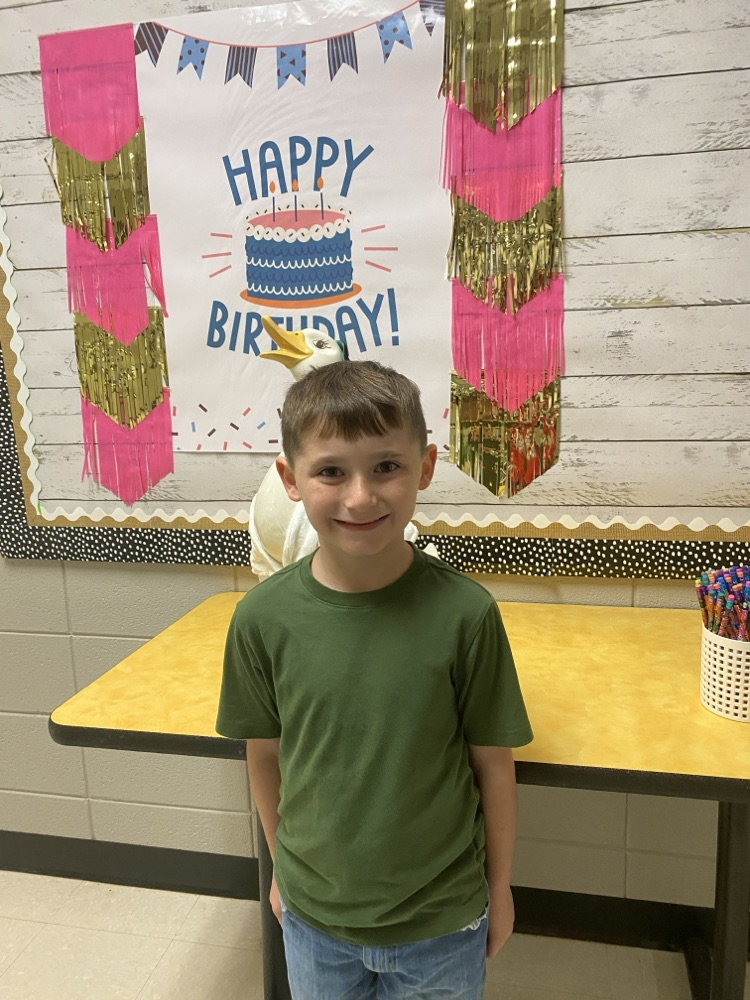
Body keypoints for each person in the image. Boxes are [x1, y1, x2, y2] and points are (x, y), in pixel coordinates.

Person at [216, 360, 533, 1000]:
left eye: (386, 466)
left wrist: (499, 888)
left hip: (441, 921)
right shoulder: (261, 620)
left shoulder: (467, 615)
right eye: (331, 470)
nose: (361, 496)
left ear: (426, 467)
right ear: (291, 480)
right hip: (314, 920)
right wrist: (281, 867)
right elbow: (265, 755)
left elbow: (493, 764)